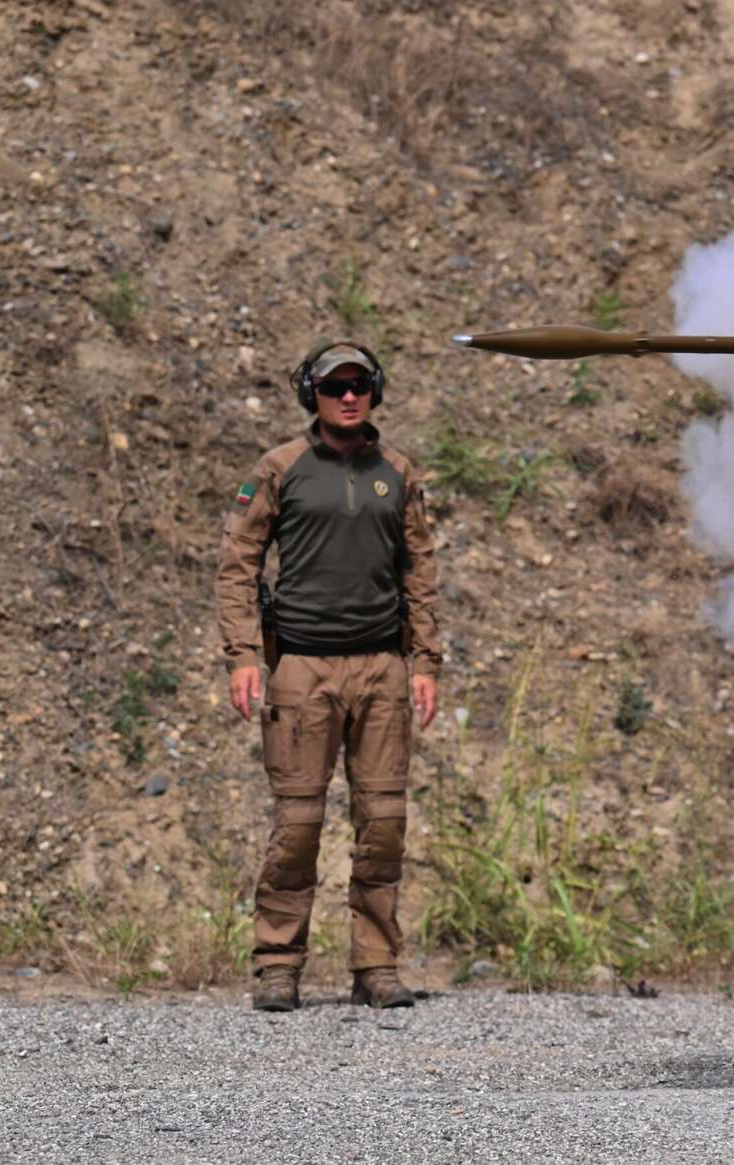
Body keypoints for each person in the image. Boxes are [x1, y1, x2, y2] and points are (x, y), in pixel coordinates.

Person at [216, 340, 444, 1012]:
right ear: (309, 393)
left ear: (375, 390)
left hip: (381, 668)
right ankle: (277, 964)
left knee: (384, 821)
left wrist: (425, 662)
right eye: (333, 385)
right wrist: (240, 655)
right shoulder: (280, 468)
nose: (348, 396)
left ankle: (376, 963)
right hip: (302, 668)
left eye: (360, 384)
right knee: (298, 823)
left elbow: (420, 572)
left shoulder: (397, 472)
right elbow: (238, 563)